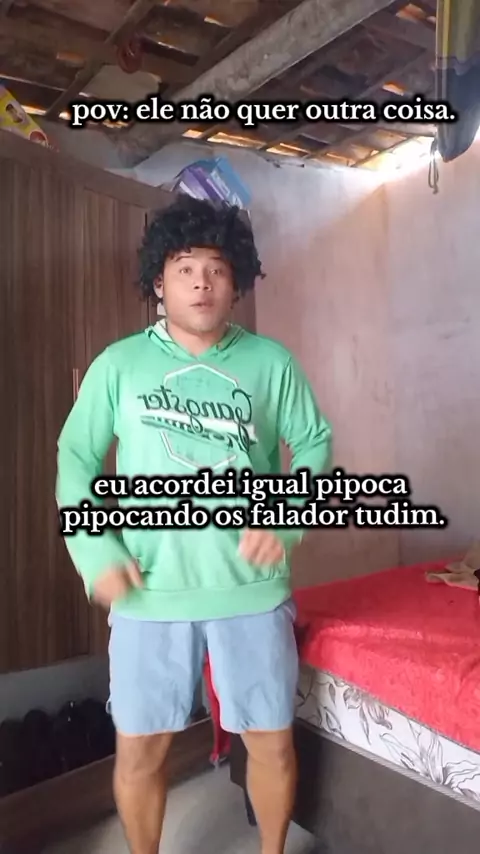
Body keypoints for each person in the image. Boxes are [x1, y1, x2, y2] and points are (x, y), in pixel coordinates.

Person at [56, 195, 332, 854]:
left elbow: (315, 445)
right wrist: (95, 553)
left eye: (216, 269)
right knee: (140, 754)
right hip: (149, 594)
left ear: (236, 283)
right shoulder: (118, 366)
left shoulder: (272, 363)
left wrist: (286, 518)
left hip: (251, 592)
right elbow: (76, 458)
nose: (201, 282)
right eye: (184, 268)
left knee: (271, 744)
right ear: (159, 283)